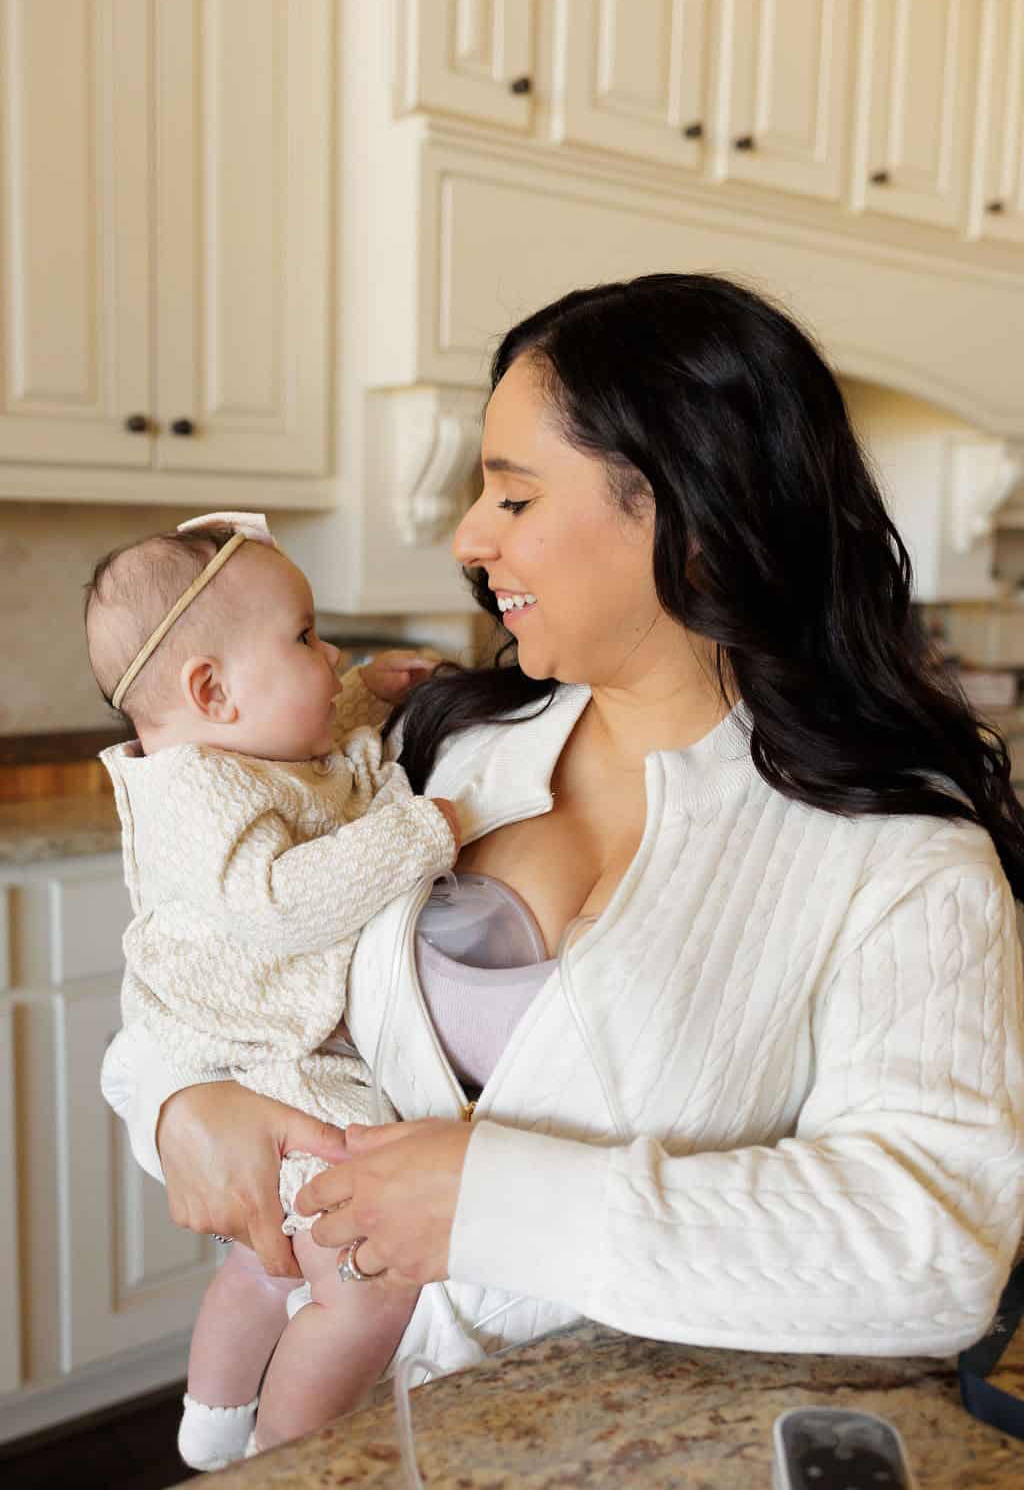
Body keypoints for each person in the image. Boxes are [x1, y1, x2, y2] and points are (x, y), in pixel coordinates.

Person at [103, 274, 1024, 1408]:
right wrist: (176, 1105)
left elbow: (934, 1244)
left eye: (515, 496)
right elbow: (202, 962)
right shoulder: (431, 745)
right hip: (333, 1431)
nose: (468, 536)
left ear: (692, 515)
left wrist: (492, 1202)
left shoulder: (904, 857)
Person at [86, 512, 462, 1467]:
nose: (330, 654)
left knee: (269, 1267)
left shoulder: (230, 749)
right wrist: (422, 833)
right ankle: (284, 1456)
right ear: (210, 691)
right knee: (363, 1283)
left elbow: (303, 742)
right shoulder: (196, 794)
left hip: (255, 1052)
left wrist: (364, 691)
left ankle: (212, 1424)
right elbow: (283, 900)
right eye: (305, 637)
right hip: (258, 1057)